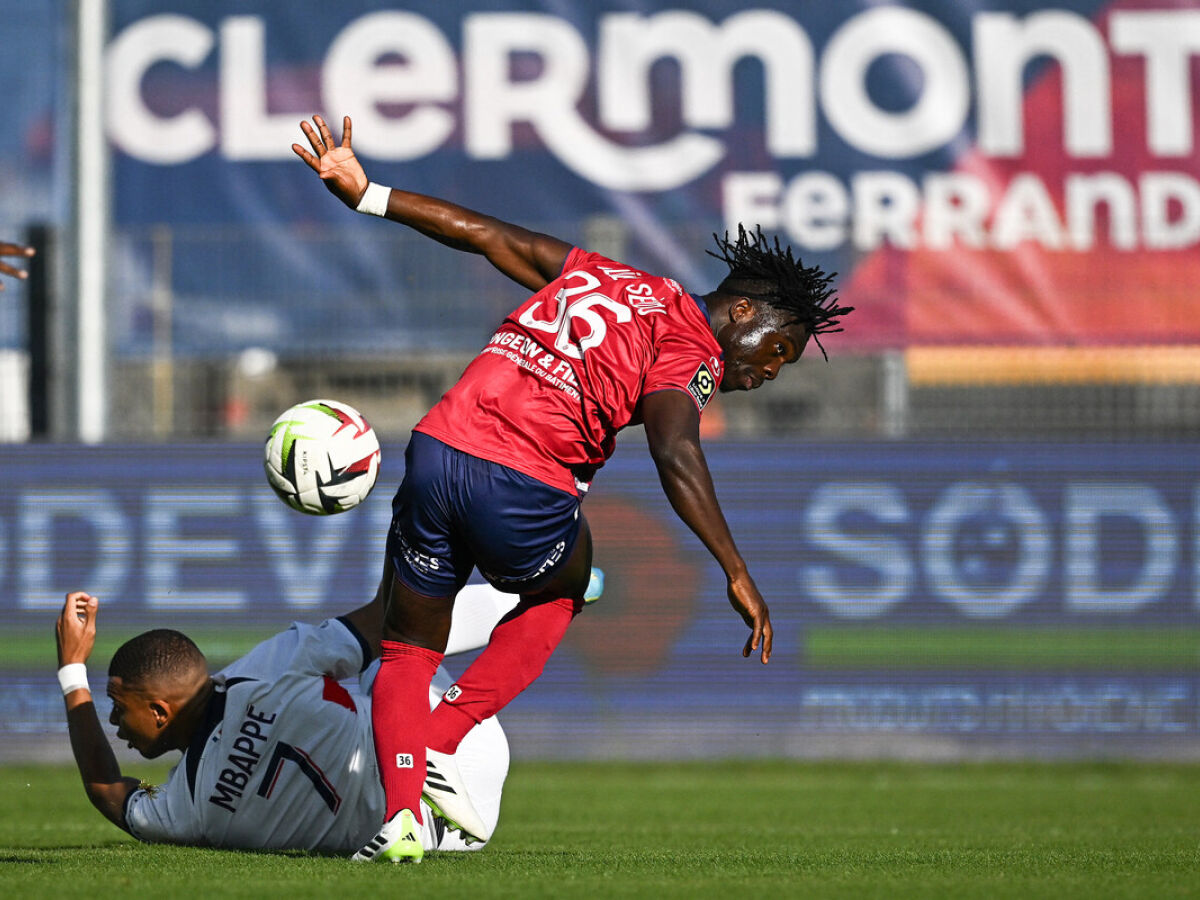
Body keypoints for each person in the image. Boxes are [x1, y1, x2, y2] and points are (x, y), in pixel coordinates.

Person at [292, 114, 852, 863]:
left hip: (435, 450)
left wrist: (369, 195)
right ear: (741, 311)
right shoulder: (690, 345)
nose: (765, 372)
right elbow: (675, 448)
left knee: (407, 646)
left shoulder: (612, 277)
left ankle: (399, 823)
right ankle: (439, 740)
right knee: (569, 583)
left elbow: (491, 236)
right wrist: (736, 568)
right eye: (774, 351)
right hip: (520, 479)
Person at [52, 561, 580, 857]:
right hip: (471, 741)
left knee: (391, 656)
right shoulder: (266, 668)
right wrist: (410, 534)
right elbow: (385, 615)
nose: (115, 723)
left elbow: (107, 790)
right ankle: (546, 598)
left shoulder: (184, 809)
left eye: (118, 708)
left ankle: (417, 779)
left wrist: (71, 671)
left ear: (161, 712)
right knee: (395, 647)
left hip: (459, 835)